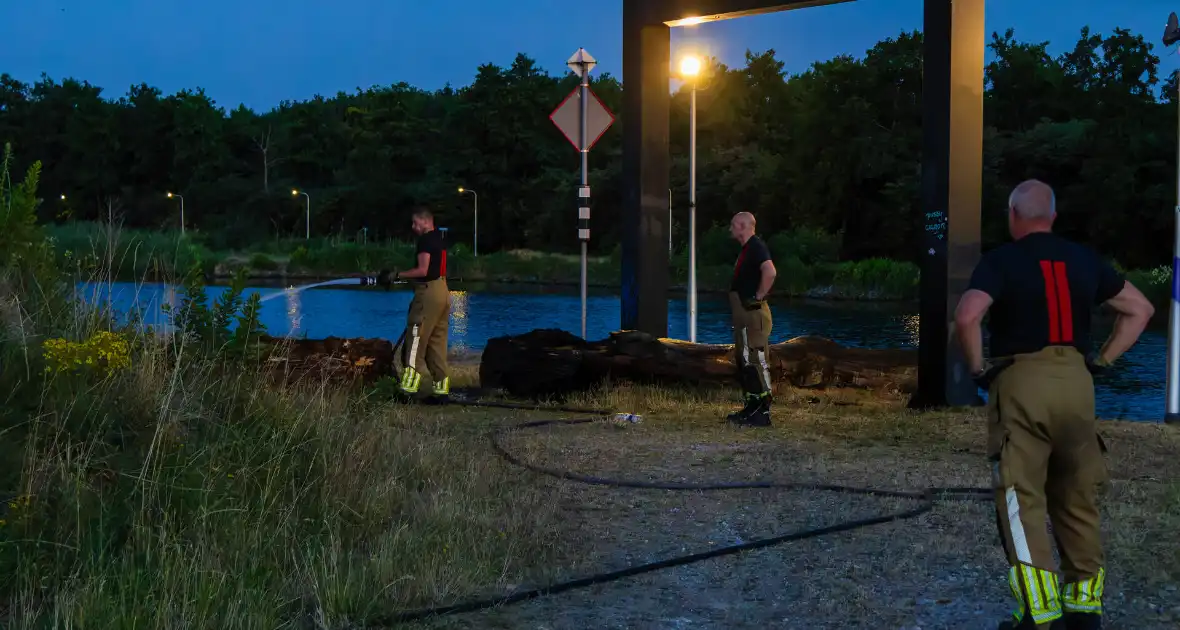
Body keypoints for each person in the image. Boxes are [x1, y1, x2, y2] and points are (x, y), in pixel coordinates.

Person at [953, 180, 1154, 630]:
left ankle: (1038, 617)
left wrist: (978, 369)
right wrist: (1102, 360)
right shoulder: (1085, 260)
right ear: (1053, 217)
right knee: (1076, 496)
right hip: (1078, 385)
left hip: (1023, 382)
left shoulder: (1002, 261)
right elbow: (1140, 309)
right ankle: (1085, 610)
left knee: (1021, 498)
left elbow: (967, 316)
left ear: (1013, 215)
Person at [389, 207, 452, 404]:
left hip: (428, 293)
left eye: (416, 223)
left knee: (416, 337)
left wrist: (397, 275)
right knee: (436, 342)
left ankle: (408, 389)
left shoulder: (425, 240)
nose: (413, 227)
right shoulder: (440, 239)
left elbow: (423, 270)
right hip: (443, 290)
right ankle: (441, 390)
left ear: (426, 222)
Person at [726, 211, 777, 427]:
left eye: (732, 225)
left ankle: (763, 411)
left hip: (753, 313)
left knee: (756, 360)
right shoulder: (747, 249)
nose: (730, 229)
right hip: (744, 315)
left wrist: (758, 296)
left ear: (741, 225)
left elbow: (770, 272)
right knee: (745, 360)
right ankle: (751, 407)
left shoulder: (757, 246)